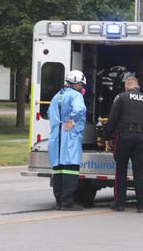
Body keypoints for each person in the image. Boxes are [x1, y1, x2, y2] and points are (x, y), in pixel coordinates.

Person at [105, 75, 143, 213]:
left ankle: (120, 204)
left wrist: (108, 137)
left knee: (121, 170)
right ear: (138, 86)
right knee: (139, 172)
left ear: (126, 86)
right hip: (141, 139)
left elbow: (112, 119)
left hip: (124, 137)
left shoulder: (121, 98)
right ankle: (142, 206)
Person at [47, 70, 87, 211]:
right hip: (70, 137)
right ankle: (67, 202)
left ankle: (59, 201)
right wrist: (73, 121)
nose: (82, 87)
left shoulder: (56, 96)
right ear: (76, 83)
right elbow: (79, 109)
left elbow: (49, 113)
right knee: (70, 169)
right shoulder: (76, 96)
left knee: (58, 169)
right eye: (81, 84)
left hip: (56, 139)